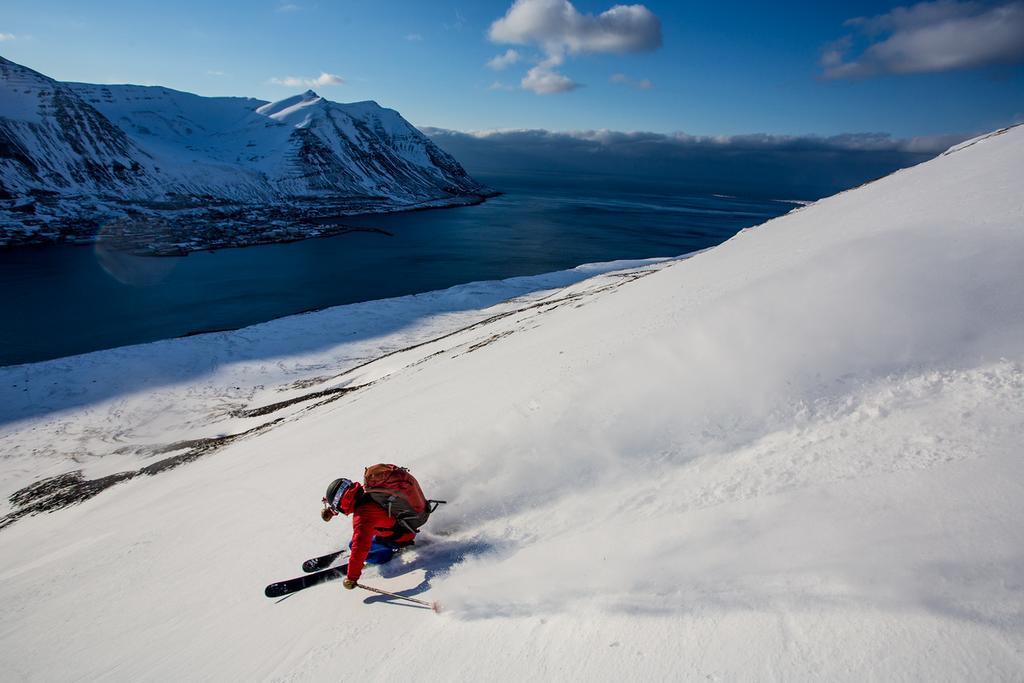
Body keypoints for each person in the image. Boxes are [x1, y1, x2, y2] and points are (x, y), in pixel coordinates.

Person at [321, 477, 416, 589]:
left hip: (401, 537)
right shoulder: (367, 490)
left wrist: (352, 577)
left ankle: (388, 553)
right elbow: (344, 498)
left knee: (353, 545)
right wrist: (331, 507)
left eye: (337, 507)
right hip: (406, 523)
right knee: (366, 535)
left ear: (341, 502)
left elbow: (359, 547)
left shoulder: (363, 517)